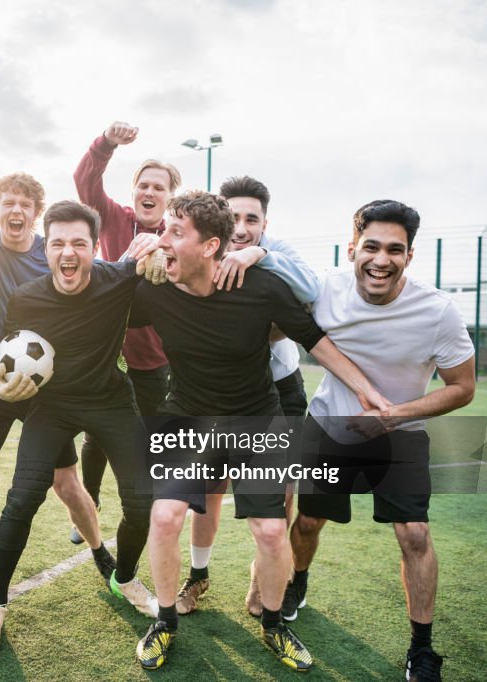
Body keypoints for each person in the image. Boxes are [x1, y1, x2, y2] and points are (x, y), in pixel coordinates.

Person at [128, 190, 389, 672]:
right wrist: (130, 260)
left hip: (256, 417)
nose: (161, 239)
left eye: (175, 232)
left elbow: (316, 340)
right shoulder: (152, 289)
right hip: (185, 414)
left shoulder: (260, 288)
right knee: (164, 517)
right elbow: (93, 305)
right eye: (163, 229)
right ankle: (164, 621)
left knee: (271, 530)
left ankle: (274, 624)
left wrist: (366, 389)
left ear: (209, 247)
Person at [288, 200, 475, 682]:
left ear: (409, 257)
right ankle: (296, 583)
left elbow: (462, 387)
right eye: (371, 246)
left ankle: (423, 650)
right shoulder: (324, 289)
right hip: (330, 426)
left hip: (401, 434)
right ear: (353, 248)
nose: (381, 259)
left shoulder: (438, 311)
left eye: (395, 249)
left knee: (414, 533)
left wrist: (393, 416)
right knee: (308, 522)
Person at [0, 200, 163, 654]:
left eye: (79, 243)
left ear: (95, 248)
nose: (68, 253)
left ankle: (126, 578)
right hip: (51, 406)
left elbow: (154, 246)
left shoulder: (119, 280)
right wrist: (3, 387)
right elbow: (13, 355)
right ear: (47, 246)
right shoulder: (27, 297)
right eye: (58, 243)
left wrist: (154, 243)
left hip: (111, 402)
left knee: (141, 503)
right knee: (21, 498)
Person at [0, 173, 114, 586]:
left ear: (36, 214)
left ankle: (100, 551)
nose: (16, 210)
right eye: (8, 203)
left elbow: (102, 270)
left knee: (67, 485)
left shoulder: (52, 252)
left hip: (41, 389)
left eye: (25, 205)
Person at [175, 175, 320, 617]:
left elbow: (312, 288)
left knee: (279, 496)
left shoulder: (276, 251)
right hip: (219, 395)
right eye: (233, 217)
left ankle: (269, 582)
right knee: (209, 489)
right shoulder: (204, 251)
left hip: (279, 390)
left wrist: (261, 254)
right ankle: (198, 578)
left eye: (251, 220)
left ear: (264, 222)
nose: (241, 227)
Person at [70, 121, 178, 541]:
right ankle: (89, 504)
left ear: (169, 197)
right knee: (97, 432)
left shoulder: (177, 236)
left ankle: (144, 508)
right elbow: (85, 181)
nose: (150, 193)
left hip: (153, 359)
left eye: (160, 187)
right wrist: (106, 144)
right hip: (106, 351)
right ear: (134, 191)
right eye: (144, 185)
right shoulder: (114, 218)